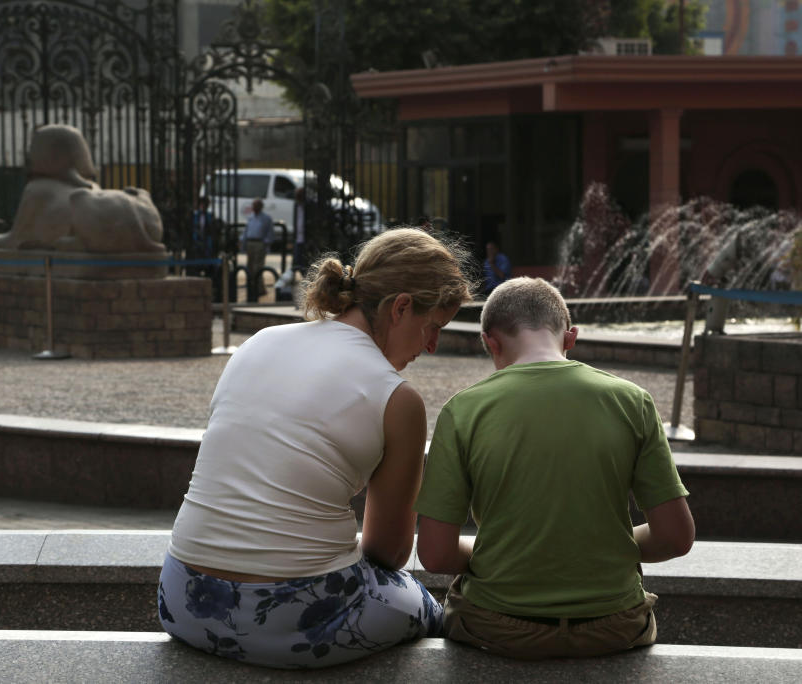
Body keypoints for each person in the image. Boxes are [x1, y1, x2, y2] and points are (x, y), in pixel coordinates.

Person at [159, 228, 475, 669]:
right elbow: (388, 553)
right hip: (294, 620)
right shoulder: (397, 399)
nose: (432, 346)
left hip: (181, 598)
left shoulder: (259, 341)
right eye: (433, 327)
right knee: (423, 607)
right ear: (401, 307)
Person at [415, 276, 694, 661]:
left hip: (495, 625)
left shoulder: (463, 411)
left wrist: (506, 552)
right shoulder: (633, 402)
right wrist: (601, 547)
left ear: (490, 343)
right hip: (615, 625)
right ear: (570, 338)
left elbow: (434, 554)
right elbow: (676, 538)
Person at [240, 198, 274, 298]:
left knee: (258, 267)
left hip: (259, 243)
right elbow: (246, 231)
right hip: (250, 242)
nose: (254, 208)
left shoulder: (266, 218)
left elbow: (270, 233)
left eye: (256, 206)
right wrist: (243, 242)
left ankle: (259, 289)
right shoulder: (250, 217)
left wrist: (266, 243)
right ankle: (252, 288)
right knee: (250, 267)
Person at [292, 187, 308, 274]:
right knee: (296, 259)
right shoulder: (296, 205)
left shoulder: (308, 206)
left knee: (304, 259)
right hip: (298, 236)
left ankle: (304, 275)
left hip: (305, 236)